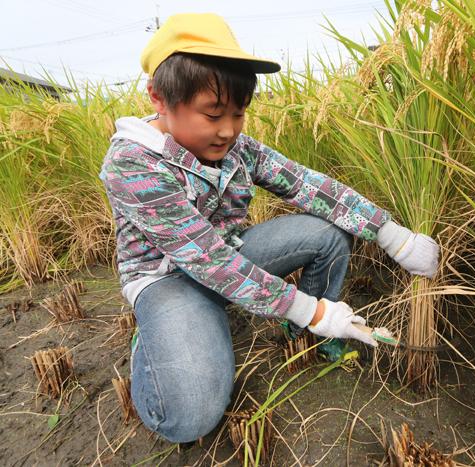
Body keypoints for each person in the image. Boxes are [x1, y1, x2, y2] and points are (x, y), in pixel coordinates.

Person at [99, 12, 439, 443]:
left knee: (328, 235)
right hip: (169, 281)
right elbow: (208, 261)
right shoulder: (133, 163)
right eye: (213, 114)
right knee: (189, 420)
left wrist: (394, 235)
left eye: (239, 114)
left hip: (232, 254)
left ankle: (298, 334)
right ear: (158, 98)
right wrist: (314, 309)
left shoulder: (235, 147)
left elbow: (306, 185)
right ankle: (155, 342)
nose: (228, 130)